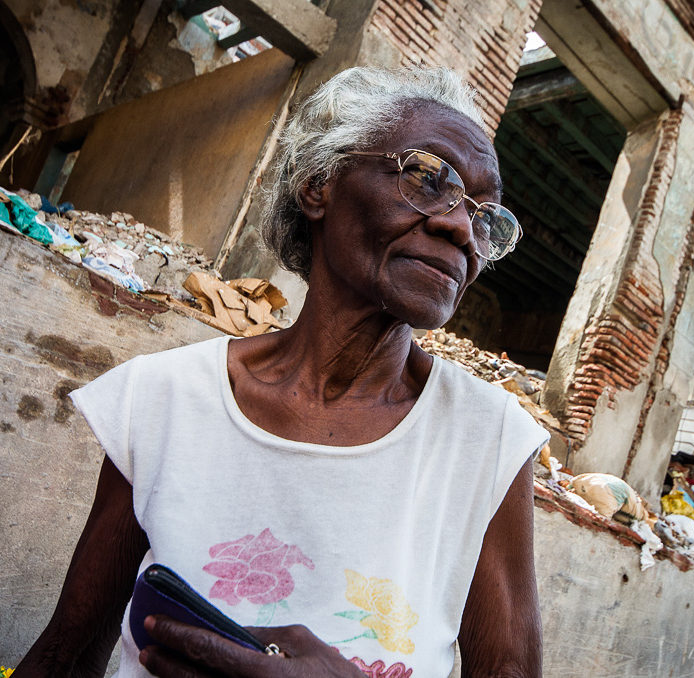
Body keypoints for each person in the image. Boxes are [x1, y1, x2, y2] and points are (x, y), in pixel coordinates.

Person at [16, 66, 548, 678]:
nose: (462, 228)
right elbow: (66, 652)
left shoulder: (490, 440)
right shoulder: (164, 399)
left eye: (486, 219)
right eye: (429, 178)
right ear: (318, 186)